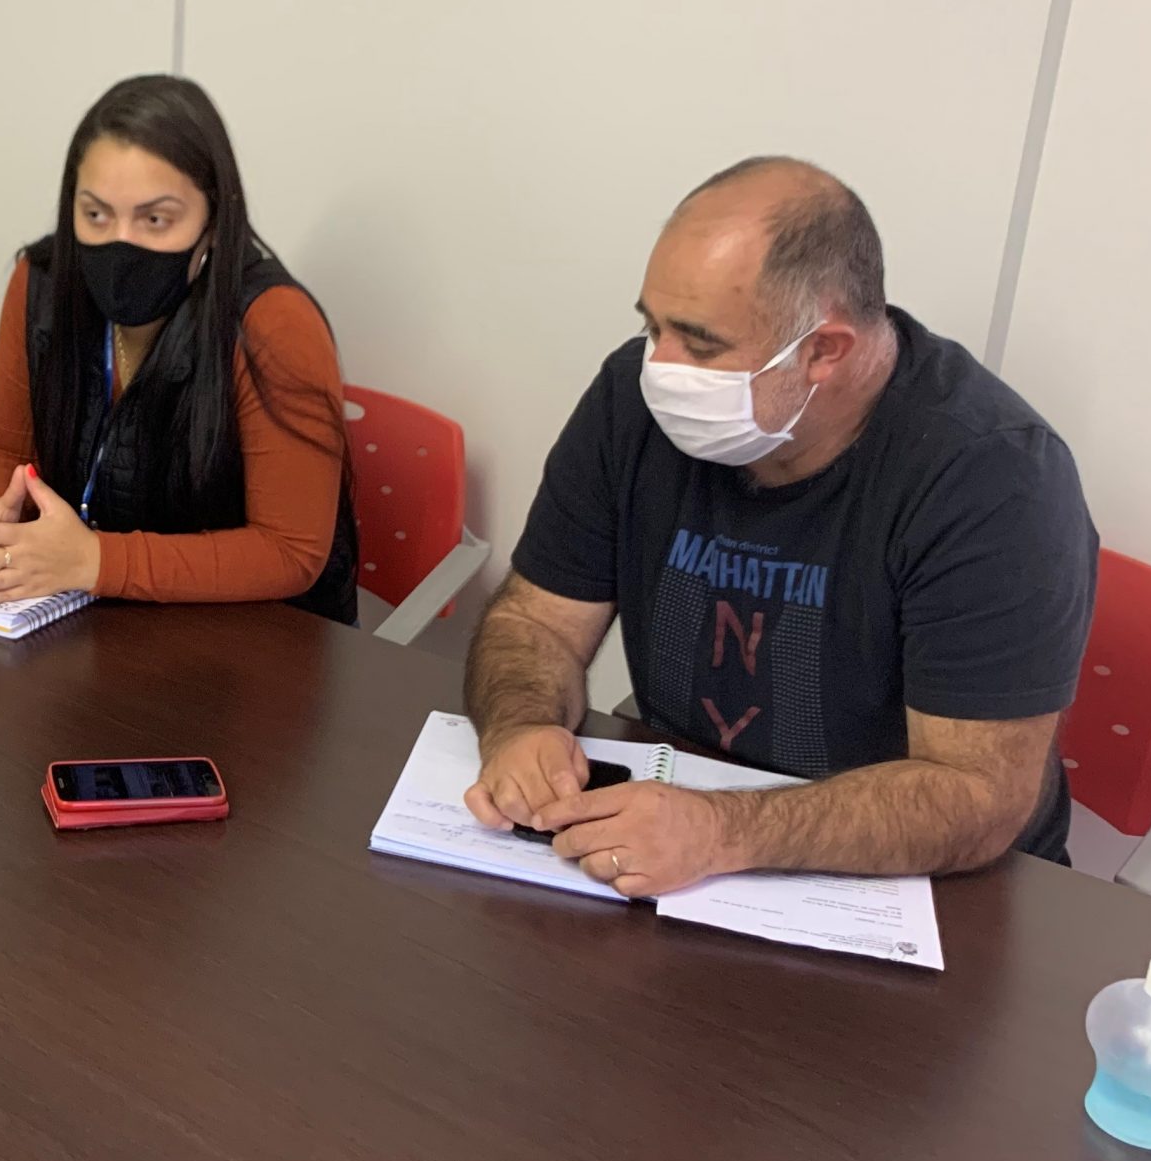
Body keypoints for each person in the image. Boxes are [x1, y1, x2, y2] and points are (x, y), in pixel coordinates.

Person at [464, 156, 1097, 892]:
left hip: (929, 887)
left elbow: (976, 797)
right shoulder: (629, 403)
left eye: (701, 344)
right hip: (684, 837)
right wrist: (520, 725)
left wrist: (720, 831)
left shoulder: (994, 476)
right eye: (652, 326)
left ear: (825, 350)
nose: (660, 368)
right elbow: (535, 624)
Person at [0, 75, 358, 621]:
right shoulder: (42, 283)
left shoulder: (275, 323)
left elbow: (291, 551)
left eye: (156, 219)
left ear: (212, 220)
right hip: (89, 616)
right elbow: (2, 451)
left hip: (256, 642)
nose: (122, 240)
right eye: (96, 215)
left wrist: (96, 559)